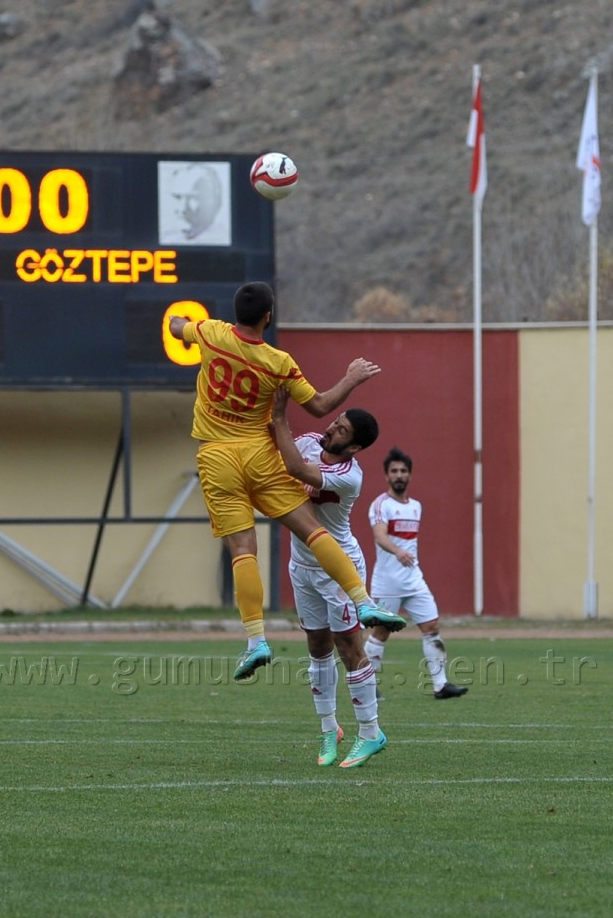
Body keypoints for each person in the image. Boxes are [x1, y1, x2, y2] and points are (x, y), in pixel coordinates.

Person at [168, 281, 407, 682]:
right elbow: (319, 406)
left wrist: (179, 322)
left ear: (235, 312)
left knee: (243, 550)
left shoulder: (211, 333)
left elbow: (178, 327)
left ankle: (256, 640)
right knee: (312, 529)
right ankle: (363, 602)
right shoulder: (278, 362)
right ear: (268, 317)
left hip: (216, 456)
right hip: (260, 454)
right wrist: (350, 378)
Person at [270, 386, 392, 768]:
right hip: (302, 565)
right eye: (335, 422)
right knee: (317, 648)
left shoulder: (348, 475)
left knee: (349, 649)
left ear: (354, 448)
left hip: (338, 568)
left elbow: (294, 469)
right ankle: (329, 730)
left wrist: (278, 415)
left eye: (341, 431)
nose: (331, 429)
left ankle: (371, 733)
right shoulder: (307, 441)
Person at [365, 447, 469, 700]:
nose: (399, 475)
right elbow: (379, 536)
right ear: (386, 476)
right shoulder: (381, 505)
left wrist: (405, 554)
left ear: (410, 475)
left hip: (413, 579)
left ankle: (440, 685)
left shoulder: (416, 507)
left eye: (403, 471)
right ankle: (367, 685)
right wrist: (398, 550)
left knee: (432, 626)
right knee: (381, 633)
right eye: (394, 471)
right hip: (388, 581)